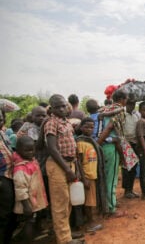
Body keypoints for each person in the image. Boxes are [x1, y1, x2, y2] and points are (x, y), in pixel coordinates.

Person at [43, 94, 83, 244]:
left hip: (68, 163)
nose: (62, 108)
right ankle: (64, 239)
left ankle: (66, 234)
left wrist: (73, 167)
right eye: (57, 106)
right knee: (60, 202)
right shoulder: (51, 123)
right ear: (52, 108)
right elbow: (52, 149)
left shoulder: (66, 123)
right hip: (58, 165)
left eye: (63, 105)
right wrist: (67, 169)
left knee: (68, 201)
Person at [97, 89, 128, 217]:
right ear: (122, 99)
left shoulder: (105, 109)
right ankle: (111, 209)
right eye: (126, 99)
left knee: (104, 177)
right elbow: (110, 127)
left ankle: (106, 204)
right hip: (110, 146)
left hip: (104, 146)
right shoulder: (119, 110)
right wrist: (98, 142)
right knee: (111, 178)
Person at [12, 136, 48, 243]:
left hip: (36, 197)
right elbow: (20, 189)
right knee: (30, 221)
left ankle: (36, 233)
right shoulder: (20, 168)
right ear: (18, 150)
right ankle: (28, 240)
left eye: (32, 149)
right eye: (26, 150)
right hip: (28, 201)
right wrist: (26, 205)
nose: (30, 152)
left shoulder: (31, 161)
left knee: (36, 218)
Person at [76, 118, 104, 233]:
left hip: (92, 175)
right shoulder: (80, 143)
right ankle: (90, 223)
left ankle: (89, 221)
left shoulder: (90, 141)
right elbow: (78, 161)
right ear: (81, 127)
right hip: (87, 176)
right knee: (88, 201)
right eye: (87, 127)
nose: (89, 129)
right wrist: (83, 178)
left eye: (92, 127)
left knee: (90, 200)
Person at [0, 109, 18, 244]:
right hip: (2, 178)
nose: (1, 119)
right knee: (4, 215)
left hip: (9, 175)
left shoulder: (3, 134)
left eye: (1, 116)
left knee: (10, 213)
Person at [122, 99, 141, 199]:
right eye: (130, 104)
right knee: (127, 168)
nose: (132, 106)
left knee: (133, 168)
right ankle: (127, 191)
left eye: (133, 104)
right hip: (126, 143)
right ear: (126, 104)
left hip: (134, 143)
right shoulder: (122, 115)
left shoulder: (136, 115)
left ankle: (130, 189)